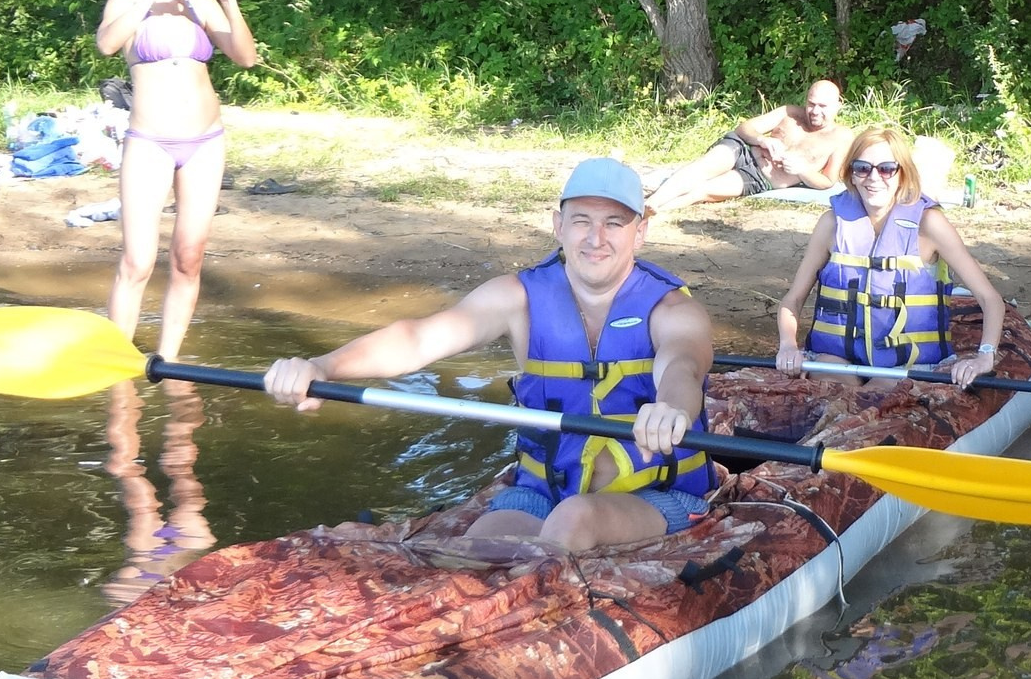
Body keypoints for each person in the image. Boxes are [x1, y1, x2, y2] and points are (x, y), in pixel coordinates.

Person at [264, 159, 716, 553]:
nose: (596, 238)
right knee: (474, 550)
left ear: (640, 233)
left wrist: (671, 408)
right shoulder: (516, 296)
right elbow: (417, 339)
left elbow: (683, 365)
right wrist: (322, 367)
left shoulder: (672, 308)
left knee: (575, 519)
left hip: (657, 493)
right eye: (582, 221)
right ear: (558, 226)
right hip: (543, 490)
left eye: (614, 223)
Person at [94, 0, 259, 359]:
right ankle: (116, 363)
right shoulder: (125, 0)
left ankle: (168, 362)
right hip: (149, 142)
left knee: (189, 257)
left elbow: (246, 57)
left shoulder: (201, 3)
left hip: (204, 142)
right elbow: (106, 44)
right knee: (137, 260)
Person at [773, 127, 1005, 387]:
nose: (873, 178)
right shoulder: (831, 224)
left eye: (886, 169)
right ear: (851, 174)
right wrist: (788, 345)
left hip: (907, 365)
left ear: (902, 174)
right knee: (833, 393)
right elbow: (793, 299)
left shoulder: (929, 224)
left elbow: (990, 299)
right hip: (836, 359)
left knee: (876, 395)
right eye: (862, 168)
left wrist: (985, 355)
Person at [646, 81, 849, 210]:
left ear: (837, 106)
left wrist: (801, 170)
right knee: (703, 168)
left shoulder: (841, 137)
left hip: (761, 177)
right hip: (743, 150)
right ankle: (652, 202)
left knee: (702, 191)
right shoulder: (789, 112)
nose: (815, 111)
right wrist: (762, 139)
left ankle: (653, 212)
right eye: (811, 104)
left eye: (822, 106)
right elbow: (745, 128)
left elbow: (828, 181)